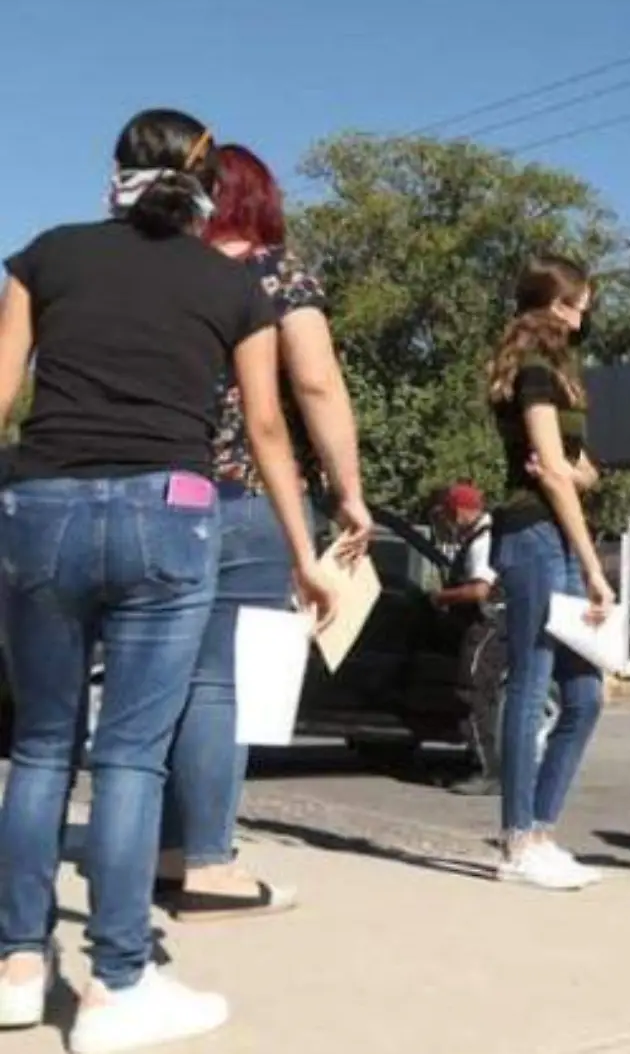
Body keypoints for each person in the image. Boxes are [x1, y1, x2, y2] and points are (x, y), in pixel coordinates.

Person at [0, 109, 336, 1053]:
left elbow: (0, 397)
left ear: (111, 169)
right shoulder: (230, 284)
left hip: (43, 506)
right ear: (204, 180)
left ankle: (17, 968)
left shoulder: (44, 257)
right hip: (172, 510)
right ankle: (116, 985)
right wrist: (304, 553)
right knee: (129, 759)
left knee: (38, 751)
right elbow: (268, 430)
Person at [156, 143, 372, 924]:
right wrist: (349, 492)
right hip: (247, 496)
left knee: (163, 684)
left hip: (156, 494)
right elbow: (314, 380)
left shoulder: (162, 270)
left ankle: (163, 851)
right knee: (223, 684)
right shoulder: (274, 272)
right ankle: (209, 865)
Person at [487, 254, 615, 890]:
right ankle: (517, 840)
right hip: (534, 535)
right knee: (533, 682)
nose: (584, 317)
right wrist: (594, 564)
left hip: (556, 534)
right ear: (557, 306)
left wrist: (574, 470)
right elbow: (552, 472)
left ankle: (540, 828)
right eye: (580, 305)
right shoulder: (533, 371)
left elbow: (580, 468)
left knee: (586, 695)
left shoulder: (561, 375)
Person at [431, 482, 506, 797]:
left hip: (489, 624)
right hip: (489, 623)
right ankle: (474, 761)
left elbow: (479, 590)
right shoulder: (481, 535)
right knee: (477, 692)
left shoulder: (482, 541)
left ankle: (487, 771)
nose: (446, 522)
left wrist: (441, 597)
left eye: (447, 514)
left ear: (459, 511)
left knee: (474, 691)